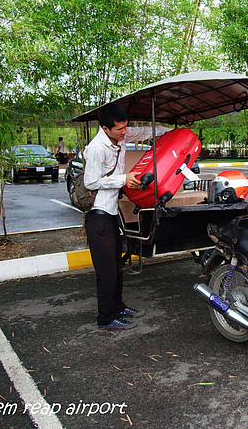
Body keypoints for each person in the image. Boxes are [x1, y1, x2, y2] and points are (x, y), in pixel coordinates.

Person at [84, 102, 171, 330]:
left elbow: (143, 132)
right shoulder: (97, 148)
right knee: (106, 270)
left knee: (116, 264)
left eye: (125, 127)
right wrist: (123, 179)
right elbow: (90, 182)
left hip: (112, 214)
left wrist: (168, 131)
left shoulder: (119, 137)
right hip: (98, 216)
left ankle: (118, 306)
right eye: (120, 129)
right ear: (105, 129)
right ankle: (106, 318)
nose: (125, 133)